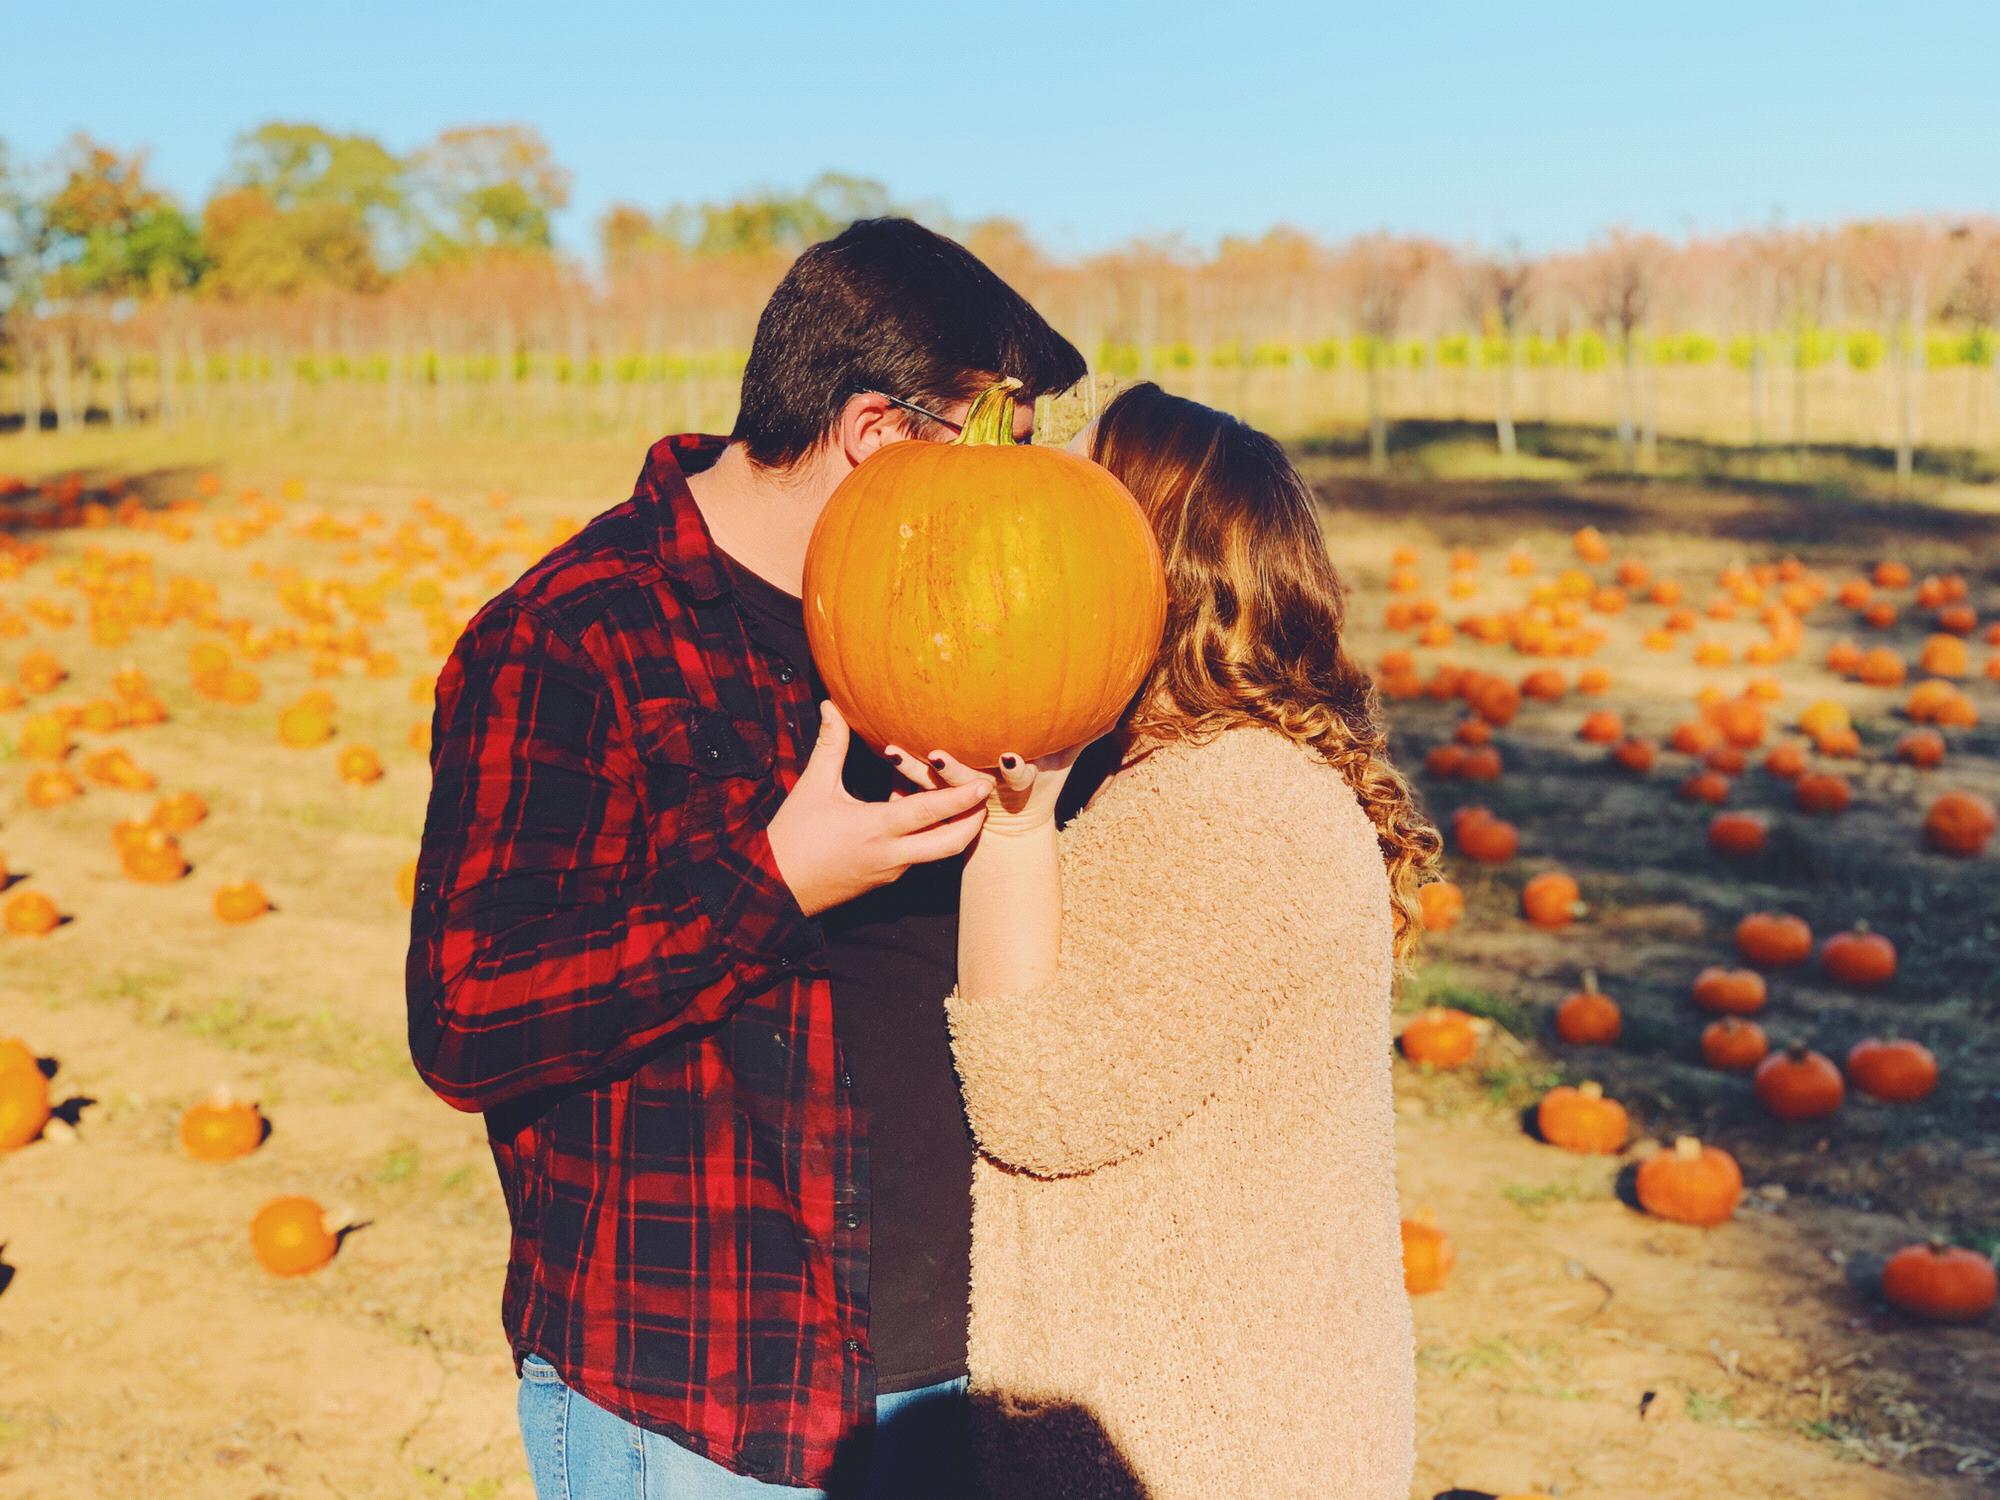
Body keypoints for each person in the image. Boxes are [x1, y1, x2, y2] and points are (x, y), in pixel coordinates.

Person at [406, 217, 1084, 1498]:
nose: (1021, 488)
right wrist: (772, 882)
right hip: (711, 1406)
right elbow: (466, 1019)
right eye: (998, 442)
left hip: (968, 1365)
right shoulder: (567, 638)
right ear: (879, 435)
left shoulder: (944, 612)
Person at [899, 382, 1439, 1499]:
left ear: (1153, 569)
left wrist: (1011, 836)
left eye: (1072, 506)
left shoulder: (1228, 807)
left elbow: (1035, 1099)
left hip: (1199, 1443)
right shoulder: (1216, 778)